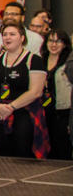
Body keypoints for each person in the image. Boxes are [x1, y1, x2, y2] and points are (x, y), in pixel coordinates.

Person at [0, 23, 49, 159]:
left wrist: (11, 107)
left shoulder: (34, 60)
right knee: (3, 154)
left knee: (23, 154)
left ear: (22, 38)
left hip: (24, 113)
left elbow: (36, 91)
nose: (7, 37)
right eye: (5, 35)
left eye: (12, 34)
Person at [0, 2, 43, 73]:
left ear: (22, 18)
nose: (9, 17)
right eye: (6, 14)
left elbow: (38, 67)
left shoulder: (36, 39)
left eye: (14, 14)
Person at [42, 29, 71, 159]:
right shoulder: (40, 60)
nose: (54, 44)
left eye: (58, 41)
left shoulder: (68, 62)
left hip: (62, 111)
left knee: (61, 146)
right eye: (51, 41)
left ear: (65, 44)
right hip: (42, 109)